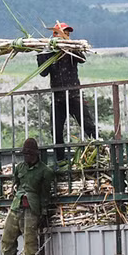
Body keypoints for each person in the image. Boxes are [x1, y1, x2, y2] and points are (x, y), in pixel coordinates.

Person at [0, 137, 56, 255]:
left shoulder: (45, 171)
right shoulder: (20, 168)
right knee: (7, 235)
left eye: (28, 154)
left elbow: (45, 194)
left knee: (30, 239)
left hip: (32, 208)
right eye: (25, 154)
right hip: (17, 205)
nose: (26, 157)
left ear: (34, 155)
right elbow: (16, 184)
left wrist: (44, 212)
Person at [37, 21, 97, 161]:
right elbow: (43, 73)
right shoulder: (49, 52)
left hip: (74, 95)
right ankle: (61, 160)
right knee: (56, 131)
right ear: (55, 34)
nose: (67, 36)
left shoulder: (71, 50)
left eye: (68, 34)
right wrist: (43, 53)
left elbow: (82, 59)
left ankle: (99, 152)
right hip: (58, 98)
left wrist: (73, 48)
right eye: (65, 33)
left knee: (88, 125)